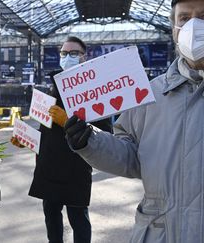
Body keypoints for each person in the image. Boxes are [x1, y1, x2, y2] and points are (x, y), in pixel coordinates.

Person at [64, 0, 204, 242]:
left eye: (203, 16)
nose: (193, 26)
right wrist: (90, 141)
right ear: (174, 29)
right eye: (184, 18)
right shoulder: (151, 94)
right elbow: (131, 156)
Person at [12, 36, 111, 243]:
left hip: (77, 165)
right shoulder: (52, 87)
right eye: (64, 54)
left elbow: (105, 133)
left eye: (73, 53)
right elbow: (45, 129)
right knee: (51, 215)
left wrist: (68, 121)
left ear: (84, 58)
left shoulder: (96, 91)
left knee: (78, 218)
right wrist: (27, 139)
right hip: (49, 164)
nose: (68, 57)